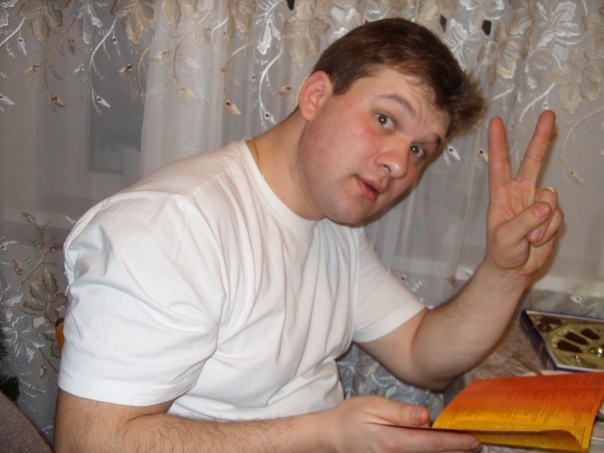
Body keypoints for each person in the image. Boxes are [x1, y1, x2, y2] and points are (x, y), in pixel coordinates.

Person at [54, 18, 563, 452]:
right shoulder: (173, 227)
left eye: (418, 151)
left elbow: (420, 354)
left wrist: (506, 272)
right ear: (316, 96)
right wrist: (324, 435)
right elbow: (89, 440)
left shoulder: (333, 225)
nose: (398, 164)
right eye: (385, 118)